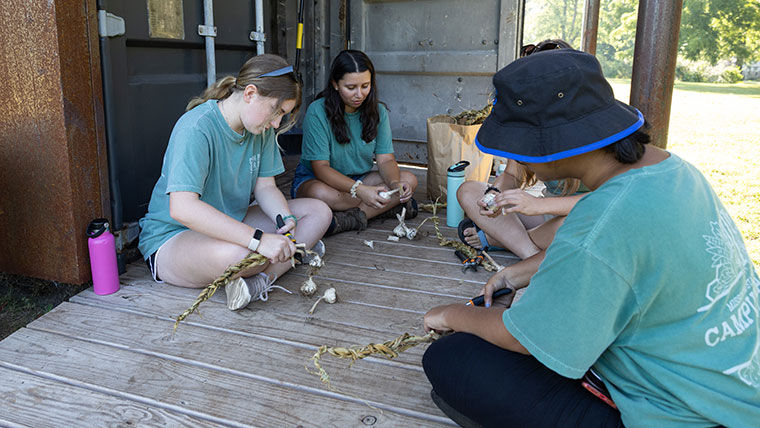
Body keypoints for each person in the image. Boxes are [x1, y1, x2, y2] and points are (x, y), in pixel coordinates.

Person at [422, 49, 760, 427]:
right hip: (739, 387)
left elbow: (525, 339)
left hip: (683, 414)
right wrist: (513, 275)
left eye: (518, 147)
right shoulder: (679, 172)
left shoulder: (602, 223)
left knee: (451, 359)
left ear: (547, 146)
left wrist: (452, 314)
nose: (518, 159)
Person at [138, 54, 332, 311]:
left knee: (319, 211)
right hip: (174, 237)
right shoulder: (196, 128)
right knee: (247, 256)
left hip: (231, 221)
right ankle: (287, 259)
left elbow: (266, 187)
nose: (276, 123)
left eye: (282, 116)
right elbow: (182, 209)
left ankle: (259, 281)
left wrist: (284, 220)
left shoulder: (259, 130)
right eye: (276, 111)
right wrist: (259, 240)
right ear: (251, 93)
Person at [457, 39, 586, 265]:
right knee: (469, 190)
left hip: (578, 218)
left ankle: (505, 241)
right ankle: (532, 256)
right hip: (545, 219)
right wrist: (494, 196)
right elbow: (512, 175)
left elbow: (606, 202)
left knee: (576, 226)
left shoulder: (590, 126)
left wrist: (538, 205)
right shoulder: (530, 120)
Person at [291, 50, 419, 235]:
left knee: (408, 180)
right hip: (320, 181)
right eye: (351, 88)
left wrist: (393, 184)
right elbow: (320, 168)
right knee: (320, 195)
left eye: (365, 86)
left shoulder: (378, 111)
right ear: (335, 84)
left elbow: (385, 160)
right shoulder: (317, 111)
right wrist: (360, 190)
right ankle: (382, 208)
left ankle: (349, 219)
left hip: (361, 178)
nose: (359, 94)